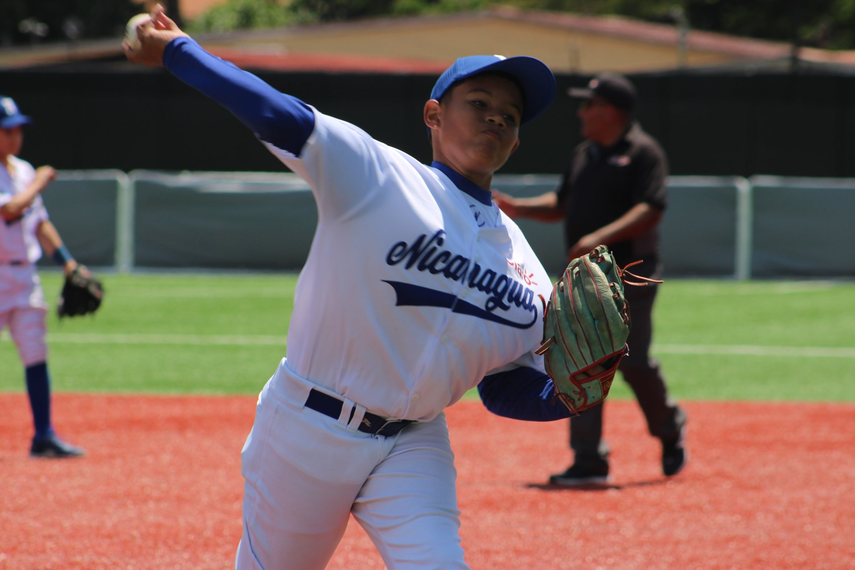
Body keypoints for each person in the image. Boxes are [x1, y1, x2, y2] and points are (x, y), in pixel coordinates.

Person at [125, 7, 578, 569]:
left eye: (509, 116)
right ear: (433, 114)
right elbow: (279, 114)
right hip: (310, 426)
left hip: (414, 442)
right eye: (479, 104)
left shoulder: (525, 265)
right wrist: (179, 53)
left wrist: (576, 388)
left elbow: (504, 388)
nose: (495, 120)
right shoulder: (378, 175)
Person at [492, 73, 688, 485]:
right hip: (582, 283)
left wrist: (598, 238)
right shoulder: (585, 154)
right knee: (581, 356)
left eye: (589, 104)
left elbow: (650, 208)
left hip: (629, 277)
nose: (581, 112)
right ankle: (588, 460)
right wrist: (520, 208)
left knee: (633, 366)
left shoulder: (643, 153)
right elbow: (562, 203)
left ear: (611, 111)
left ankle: (669, 427)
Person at [0, 96, 85, 458]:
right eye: (7, 130)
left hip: (25, 277)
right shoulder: (28, 178)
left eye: (18, 129)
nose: (15, 137)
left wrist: (68, 263)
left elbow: (38, 223)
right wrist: (39, 182)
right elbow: (10, 210)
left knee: (36, 353)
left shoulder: (23, 170)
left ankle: (44, 435)